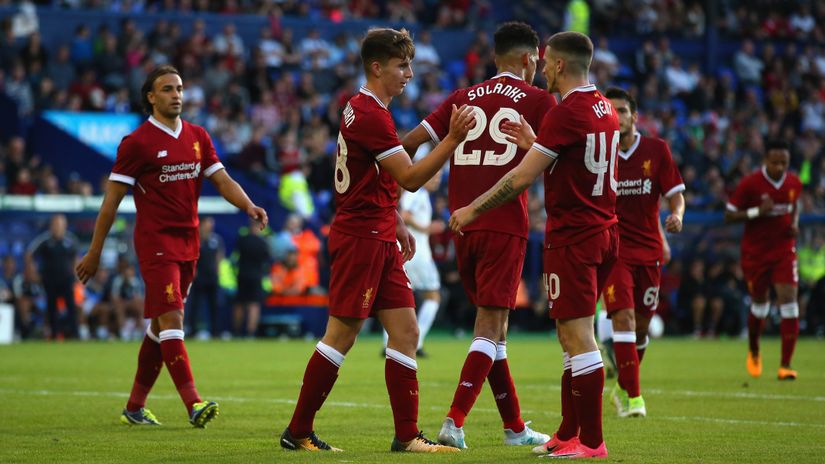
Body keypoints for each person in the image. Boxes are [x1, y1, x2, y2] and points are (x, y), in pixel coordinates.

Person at [279, 27, 474, 453]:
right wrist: (452, 139)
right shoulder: (370, 114)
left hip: (378, 230)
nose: (409, 74)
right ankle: (297, 431)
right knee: (341, 335)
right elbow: (411, 177)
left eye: (410, 65)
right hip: (361, 237)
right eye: (402, 66)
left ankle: (407, 436)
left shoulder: (364, 107)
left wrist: (394, 217)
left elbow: (373, 175)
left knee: (406, 332)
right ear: (376, 67)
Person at [450, 31, 617, 459]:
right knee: (569, 335)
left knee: (578, 336)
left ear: (560, 64)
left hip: (575, 236)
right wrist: (534, 145)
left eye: (546, 62)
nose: (542, 69)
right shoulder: (604, 107)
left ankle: (592, 442)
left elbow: (520, 178)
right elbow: (573, 163)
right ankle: (568, 432)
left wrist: (472, 209)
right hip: (603, 230)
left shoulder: (565, 112)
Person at [76, 65, 268, 428]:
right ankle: (194, 404)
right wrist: (94, 251)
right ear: (151, 97)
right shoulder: (137, 143)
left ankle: (135, 406)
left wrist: (248, 205)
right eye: (167, 89)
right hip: (156, 244)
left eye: (179, 88)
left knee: (159, 326)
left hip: (189, 243)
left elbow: (222, 179)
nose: (176, 95)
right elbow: (111, 202)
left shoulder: (197, 136)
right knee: (173, 318)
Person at [401, 21, 555, 449]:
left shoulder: (462, 97)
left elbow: (408, 143)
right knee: (490, 325)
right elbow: (556, 162)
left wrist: (393, 194)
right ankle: (454, 422)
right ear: (528, 59)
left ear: (494, 58)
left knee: (495, 329)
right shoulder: (539, 100)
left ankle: (514, 428)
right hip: (503, 222)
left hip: (462, 226)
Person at [599, 87, 685, 418]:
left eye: (622, 110)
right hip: (613, 250)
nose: (616, 116)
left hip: (649, 250)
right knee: (624, 316)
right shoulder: (599, 151)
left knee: (642, 328)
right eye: (610, 111)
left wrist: (677, 215)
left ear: (634, 116)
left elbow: (675, 195)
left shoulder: (656, 150)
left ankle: (622, 387)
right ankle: (635, 398)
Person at [724, 139, 802, 381]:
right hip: (755, 254)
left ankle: (785, 365)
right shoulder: (750, 184)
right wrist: (758, 211)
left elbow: (795, 205)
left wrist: (795, 224)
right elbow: (729, 215)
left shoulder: (794, 182)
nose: (780, 167)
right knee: (760, 305)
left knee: (789, 301)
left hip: (784, 251)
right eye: (775, 162)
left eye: (784, 162)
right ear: (765, 160)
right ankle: (754, 350)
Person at [383, 161, 443, 358]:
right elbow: (405, 215)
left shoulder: (419, 194)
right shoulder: (418, 193)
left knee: (397, 297)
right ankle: (417, 342)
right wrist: (426, 228)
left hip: (408, 251)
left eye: (438, 177)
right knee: (433, 296)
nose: (436, 180)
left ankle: (387, 343)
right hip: (418, 254)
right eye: (433, 176)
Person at [26, 214, 81, 340]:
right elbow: (29, 254)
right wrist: (33, 272)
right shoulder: (44, 240)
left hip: (67, 279)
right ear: (51, 226)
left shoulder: (71, 240)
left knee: (71, 306)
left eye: (60, 225)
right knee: (52, 307)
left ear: (65, 226)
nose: (57, 227)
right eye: (55, 224)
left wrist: (77, 274)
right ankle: (55, 334)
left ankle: (75, 334)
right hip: (49, 280)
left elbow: (76, 257)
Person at [186, 216, 224, 339]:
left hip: (212, 276)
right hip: (199, 276)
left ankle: (215, 331)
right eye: (208, 223)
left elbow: (220, 255)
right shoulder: (196, 238)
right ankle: (192, 330)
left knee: (214, 305)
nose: (211, 226)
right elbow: (190, 255)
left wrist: (218, 268)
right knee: (195, 304)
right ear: (202, 224)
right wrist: (193, 270)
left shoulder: (216, 239)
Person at [233, 218, 272, 338]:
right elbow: (267, 260)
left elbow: (235, 257)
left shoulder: (242, 240)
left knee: (240, 303)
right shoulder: (263, 242)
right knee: (254, 304)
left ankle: (236, 332)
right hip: (256, 276)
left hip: (242, 275)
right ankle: (250, 333)